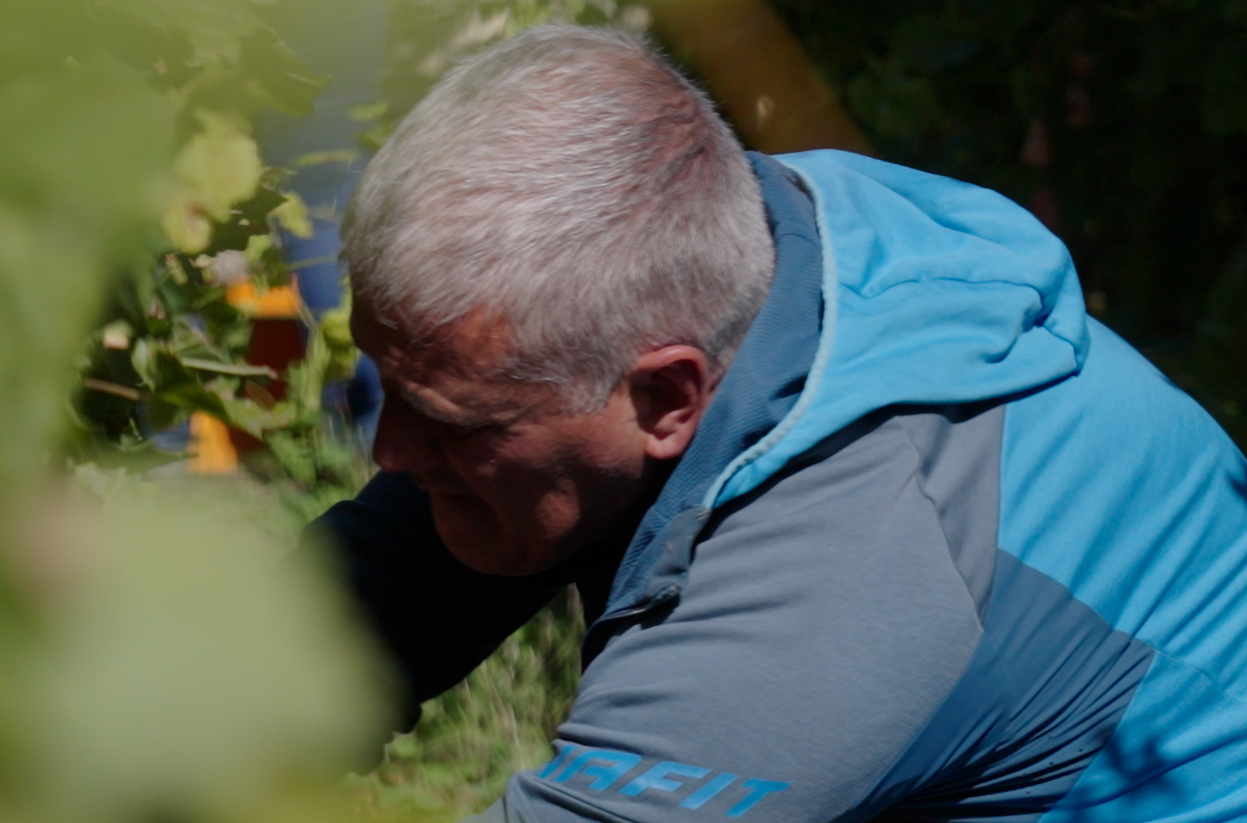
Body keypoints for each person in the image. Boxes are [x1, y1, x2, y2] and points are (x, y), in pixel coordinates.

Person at [310, 24, 1247, 823]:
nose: (388, 450)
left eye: (455, 425)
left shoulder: (841, 583)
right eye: (392, 387)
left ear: (669, 397)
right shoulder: (717, 246)